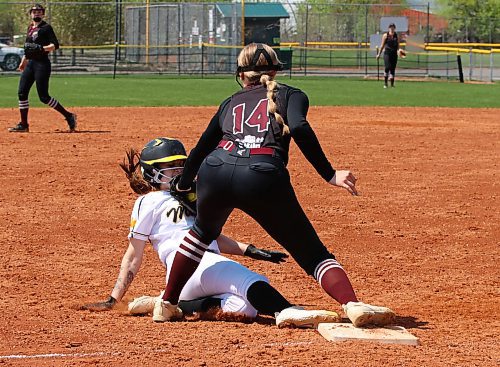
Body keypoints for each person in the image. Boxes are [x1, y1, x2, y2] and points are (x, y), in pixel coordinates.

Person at [155, 43, 396, 328]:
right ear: (276, 70)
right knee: (312, 253)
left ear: (241, 75)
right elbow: (300, 127)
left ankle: (167, 304)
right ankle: (352, 305)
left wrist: (183, 185)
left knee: (200, 235)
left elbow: (200, 149)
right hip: (262, 174)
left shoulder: (230, 101)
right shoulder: (291, 94)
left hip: (215, 170)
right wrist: (329, 174)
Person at [81, 137, 341, 329]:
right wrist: (114, 298)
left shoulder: (195, 197)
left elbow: (209, 237)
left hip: (188, 284)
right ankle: (286, 311)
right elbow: (133, 256)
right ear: (151, 173)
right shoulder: (148, 201)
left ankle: (168, 302)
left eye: (181, 165)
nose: (178, 172)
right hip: (190, 268)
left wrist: (249, 250)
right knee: (250, 281)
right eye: (170, 168)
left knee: (245, 308)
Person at [8, 4, 76, 133]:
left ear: (43, 14)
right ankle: (24, 124)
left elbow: (55, 45)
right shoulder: (30, 28)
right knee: (22, 93)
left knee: (44, 97)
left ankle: (69, 115)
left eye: (39, 12)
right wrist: (23, 62)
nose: (36, 14)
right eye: (34, 12)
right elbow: (28, 48)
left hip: (42, 64)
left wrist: (42, 48)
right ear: (30, 14)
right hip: (31, 63)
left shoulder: (46, 28)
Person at [376, 23, 402, 89]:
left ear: (394, 28)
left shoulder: (397, 36)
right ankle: (385, 83)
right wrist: (379, 54)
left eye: (393, 27)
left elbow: (398, 46)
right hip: (387, 53)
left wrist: (399, 51)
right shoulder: (385, 35)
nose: (392, 28)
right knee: (387, 67)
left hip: (394, 54)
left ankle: (392, 85)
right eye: (390, 27)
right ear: (389, 28)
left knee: (392, 69)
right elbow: (382, 45)